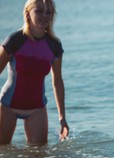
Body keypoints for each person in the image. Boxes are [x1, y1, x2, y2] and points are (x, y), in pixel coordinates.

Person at [0, 0, 68, 146]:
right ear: (28, 13)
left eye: (48, 12)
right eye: (39, 11)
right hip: (8, 106)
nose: (44, 16)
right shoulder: (15, 40)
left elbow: (57, 82)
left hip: (37, 108)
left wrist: (62, 117)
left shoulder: (54, 45)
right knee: (2, 152)